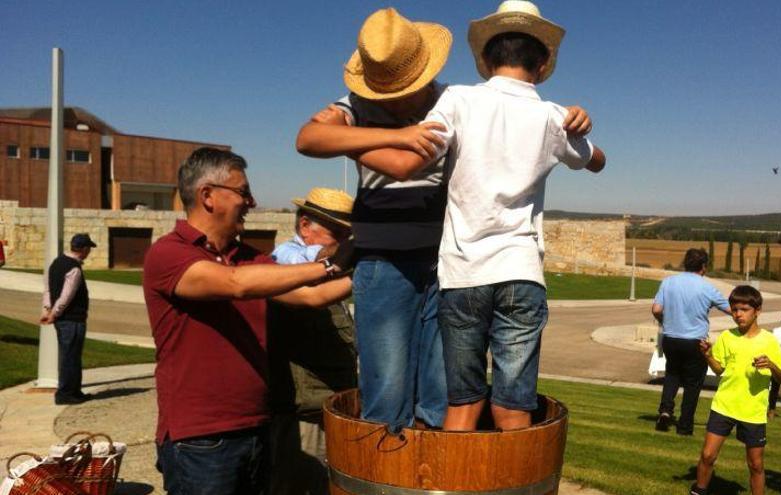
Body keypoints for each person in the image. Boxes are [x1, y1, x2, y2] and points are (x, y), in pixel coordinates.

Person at [296, 7, 593, 432]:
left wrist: (575, 117)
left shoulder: (452, 101)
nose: (394, 97)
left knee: (440, 394)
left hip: (444, 264)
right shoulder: (358, 104)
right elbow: (308, 138)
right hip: (383, 260)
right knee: (387, 390)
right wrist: (393, 134)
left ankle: (434, 475)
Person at [143, 147, 354, 495]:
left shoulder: (248, 258)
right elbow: (234, 285)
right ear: (207, 196)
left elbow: (311, 296)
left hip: (256, 427)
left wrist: (374, 262)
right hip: (200, 438)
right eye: (243, 192)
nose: (252, 201)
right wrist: (330, 264)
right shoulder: (170, 252)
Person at [267, 188, 356, 495]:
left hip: (326, 406)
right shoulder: (286, 257)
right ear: (305, 226)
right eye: (339, 234)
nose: (344, 244)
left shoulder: (330, 272)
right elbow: (300, 260)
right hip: (302, 413)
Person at [690, 285, 781, 495]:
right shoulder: (727, 336)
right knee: (707, 456)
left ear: (757, 310)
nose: (738, 314)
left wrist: (771, 365)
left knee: (755, 465)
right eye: (734, 310)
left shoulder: (769, 340)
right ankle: (699, 491)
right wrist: (708, 356)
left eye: (744, 310)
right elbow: (719, 370)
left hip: (753, 412)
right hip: (723, 405)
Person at [652, 248, 731, 435]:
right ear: (704, 266)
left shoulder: (668, 282)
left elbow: (656, 309)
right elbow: (730, 309)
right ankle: (685, 424)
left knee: (672, 375)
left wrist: (666, 321)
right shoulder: (707, 288)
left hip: (671, 337)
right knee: (693, 384)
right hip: (695, 340)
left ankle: (665, 410)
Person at [40, 233, 97, 405]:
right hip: (72, 319)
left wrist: (47, 309)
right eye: (89, 249)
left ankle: (74, 391)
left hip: (62, 319)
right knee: (70, 356)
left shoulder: (56, 263)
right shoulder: (74, 269)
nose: (89, 253)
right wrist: (54, 313)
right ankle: (65, 393)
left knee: (70, 355)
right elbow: (67, 296)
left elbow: (48, 289)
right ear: (84, 249)